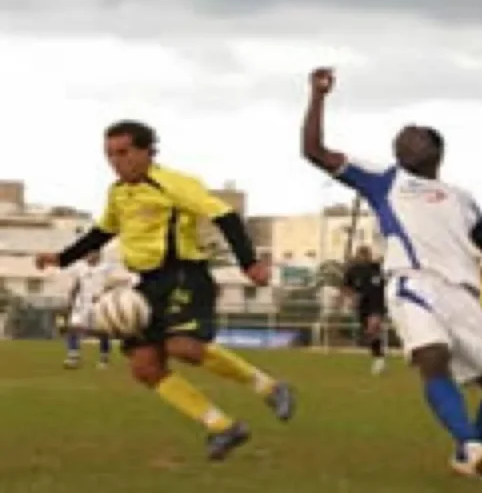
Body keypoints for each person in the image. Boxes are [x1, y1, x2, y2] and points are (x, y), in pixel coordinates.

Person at [301, 68, 482, 481]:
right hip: (413, 284)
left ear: (436, 149)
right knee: (432, 358)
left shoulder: (462, 197)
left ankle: (466, 454)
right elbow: (314, 151)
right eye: (400, 137)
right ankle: (473, 444)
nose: (403, 138)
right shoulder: (385, 180)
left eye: (413, 134)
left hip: (465, 295)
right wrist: (317, 96)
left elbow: (481, 235)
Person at [35, 120, 295, 461]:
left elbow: (226, 215)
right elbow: (102, 232)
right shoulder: (118, 192)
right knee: (145, 366)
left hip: (185, 276)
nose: (116, 161)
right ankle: (221, 426)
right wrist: (61, 257)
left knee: (183, 347)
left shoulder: (173, 184)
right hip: (145, 284)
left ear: (146, 151)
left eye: (123, 152)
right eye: (110, 154)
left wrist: (248, 263)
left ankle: (269, 387)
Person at [62, 251, 115, 369]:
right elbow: (76, 284)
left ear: (98, 255)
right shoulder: (79, 267)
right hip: (82, 303)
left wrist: (103, 295)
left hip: (100, 303)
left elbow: (112, 285)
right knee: (73, 327)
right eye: (87, 253)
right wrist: (70, 300)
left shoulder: (107, 267)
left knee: (103, 331)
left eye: (92, 253)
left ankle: (104, 358)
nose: (89, 256)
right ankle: (73, 356)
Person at [341, 246, 388, 375]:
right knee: (371, 333)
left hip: (377, 303)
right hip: (362, 305)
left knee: (373, 327)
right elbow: (346, 287)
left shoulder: (377, 268)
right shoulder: (353, 270)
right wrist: (351, 297)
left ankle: (379, 359)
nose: (364, 257)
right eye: (361, 255)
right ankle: (379, 358)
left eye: (366, 254)